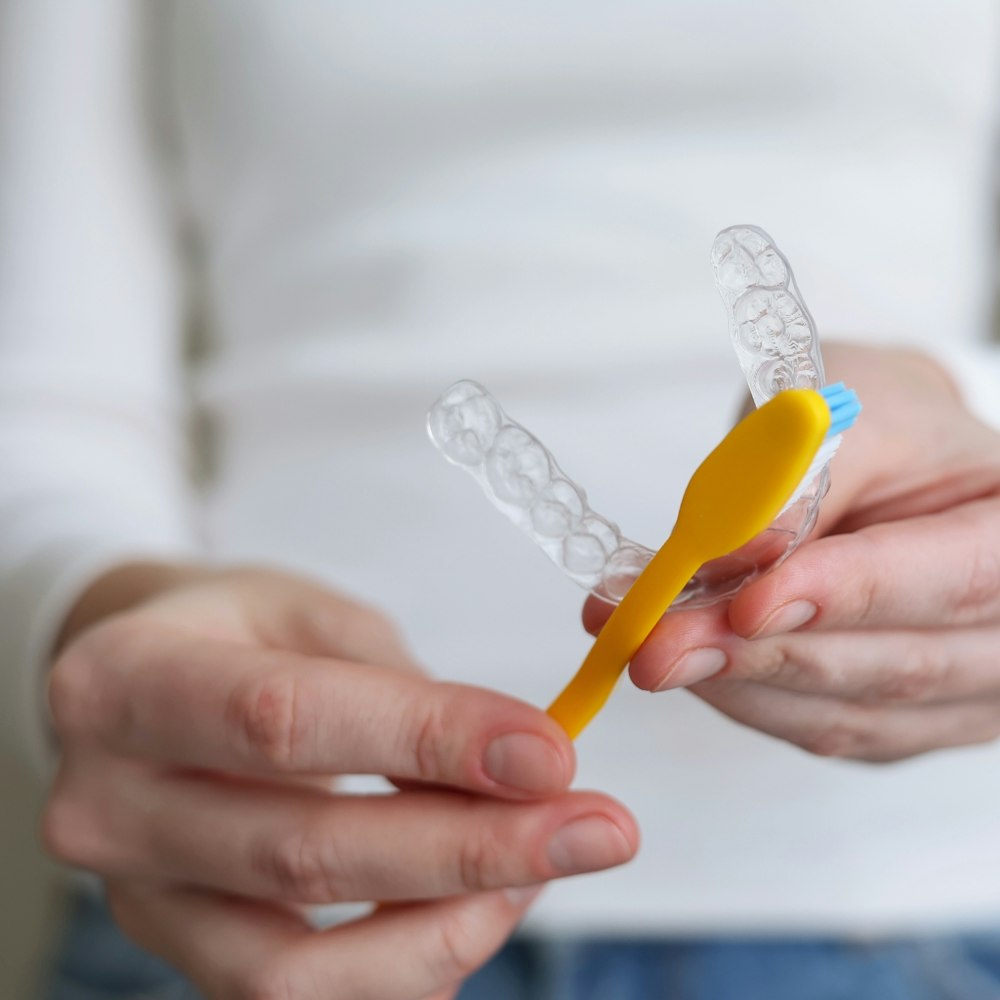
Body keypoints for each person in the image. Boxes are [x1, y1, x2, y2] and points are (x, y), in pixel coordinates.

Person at [2, 2, 1000, 998]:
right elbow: (40, 393)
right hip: (242, 877)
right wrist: (91, 617)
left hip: (900, 917)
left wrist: (964, 446)